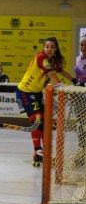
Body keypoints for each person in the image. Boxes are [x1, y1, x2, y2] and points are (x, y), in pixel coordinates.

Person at [16, 37, 77, 167]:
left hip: (37, 93)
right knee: (37, 121)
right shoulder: (41, 58)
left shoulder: (53, 60)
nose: (49, 49)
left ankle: (45, 153)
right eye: (47, 46)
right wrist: (61, 87)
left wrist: (74, 80)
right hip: (25, 92)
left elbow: (60, 71)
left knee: (44, 124)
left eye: (52, 47)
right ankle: (38, 152)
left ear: (56, 49)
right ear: (44, 48)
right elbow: (52, 75)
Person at [72, 35, 86, 166]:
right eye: (81, 44)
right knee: (80, 124)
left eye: (85, 45)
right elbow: (77, 77)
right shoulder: (77, 59)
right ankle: (82, 148)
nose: (83, 47)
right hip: (79, 96)